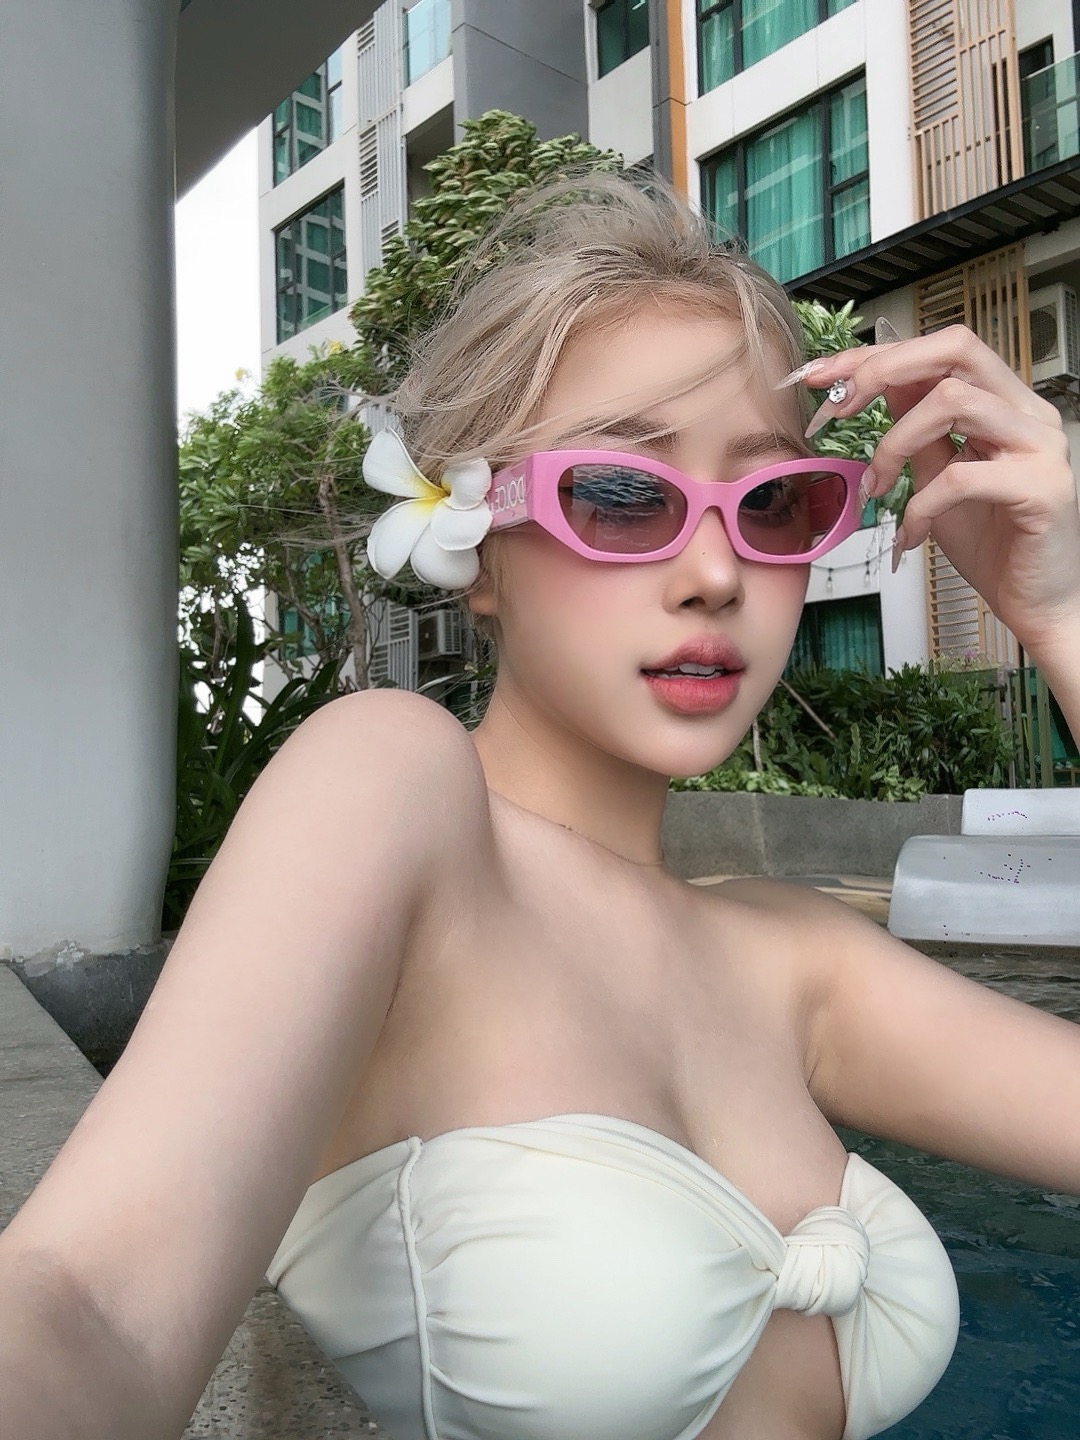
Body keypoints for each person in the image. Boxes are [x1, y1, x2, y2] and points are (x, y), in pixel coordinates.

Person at [2, 172, 1080, 1440]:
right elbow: (91, 1303)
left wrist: (1062, 616)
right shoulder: (394, 795)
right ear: (476, 550)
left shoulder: (799, 959)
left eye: (772, 502)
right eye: (620, 494)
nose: (716, 572)